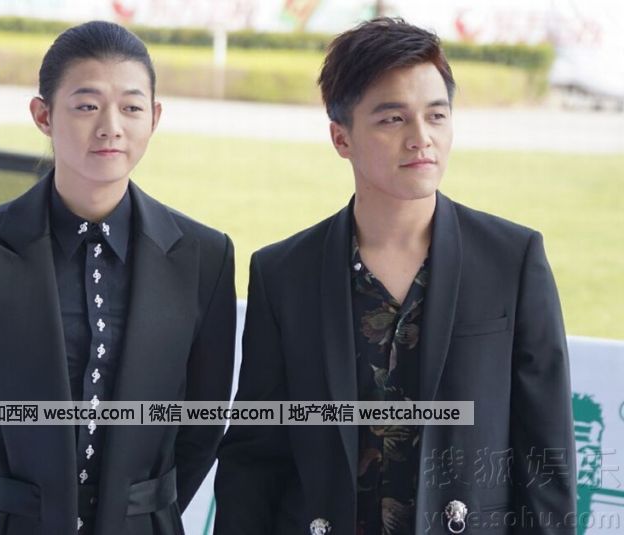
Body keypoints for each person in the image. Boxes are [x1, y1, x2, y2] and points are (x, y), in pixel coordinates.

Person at [215, 17, 576, 535]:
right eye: (393, 119)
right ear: (341, 137)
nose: (421, 139)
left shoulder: (511, 260)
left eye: (436, 115)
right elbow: (255, 456)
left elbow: (546, 454)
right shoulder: (283, 273)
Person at [0, 20, 236, 535]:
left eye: (132, 107)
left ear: (155, 117)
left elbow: (201, 427)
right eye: (87, 105)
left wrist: (141, 514)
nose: (111, 126)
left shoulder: (204, 257)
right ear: (43, 115)